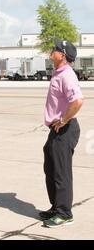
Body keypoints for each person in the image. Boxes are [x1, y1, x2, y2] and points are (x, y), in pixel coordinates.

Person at [40, 39, 83, 228]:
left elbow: (77, 102)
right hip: (56, 129)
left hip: (65, 129)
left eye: (55, 49)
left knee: (61, 172)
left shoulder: (67, 75)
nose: (52, 51)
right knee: (50, 167)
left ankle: (65, 213)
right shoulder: (58, 73)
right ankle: (56, 207)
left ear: (62, 56)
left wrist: (64, 119)